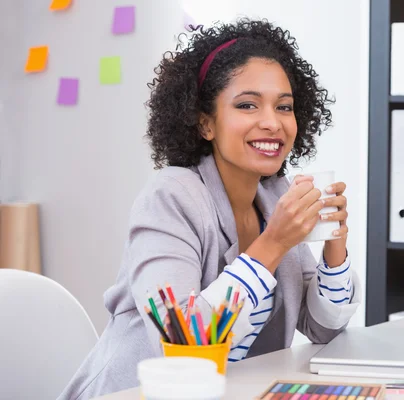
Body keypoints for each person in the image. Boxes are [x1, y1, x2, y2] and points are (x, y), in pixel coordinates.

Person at [58, 18, 360, 399]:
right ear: (205, 124)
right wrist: (273, 243)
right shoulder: (170, 198)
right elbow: (184, 345)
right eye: (247, 105)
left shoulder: (273, 195)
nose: (272, 122)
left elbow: (323, 330)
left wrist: (335, 245)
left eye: (284, 106)